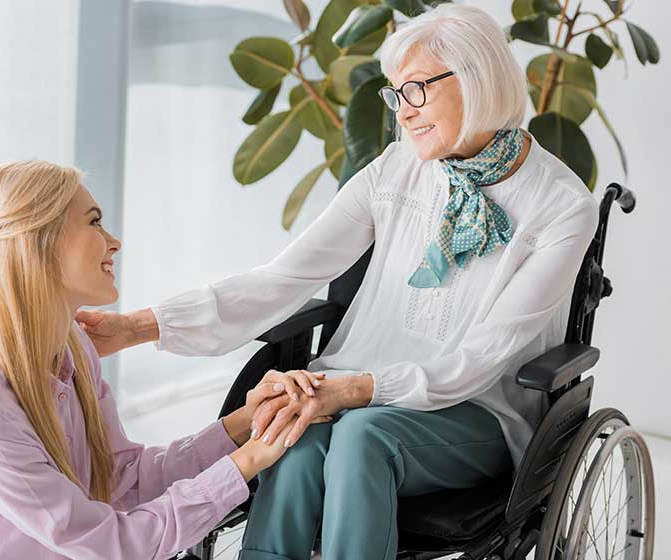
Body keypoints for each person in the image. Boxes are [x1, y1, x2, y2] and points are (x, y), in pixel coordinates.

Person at [76, 5, 600, 559]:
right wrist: (140, 327)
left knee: (361, 437)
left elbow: (481, 357)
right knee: (292, 439)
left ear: (476, 79)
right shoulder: (396, 170)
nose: (404, 114)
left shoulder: (562, 207)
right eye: (396, 95)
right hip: (357, 396)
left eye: (416, 90)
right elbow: (286, 277)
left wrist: (350, 389)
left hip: (481, 412)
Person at [0, 160, 330, 559]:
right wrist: (251, 459)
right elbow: (112, 546)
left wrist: (245, 423)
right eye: (94, 222)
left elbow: (122, 478)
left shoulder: (72, 352)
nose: (114, 242)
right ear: (39, 245)